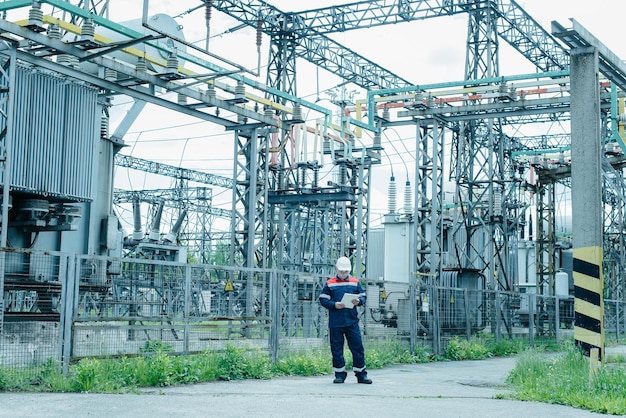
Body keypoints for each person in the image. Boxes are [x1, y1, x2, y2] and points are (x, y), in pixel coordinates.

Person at [318, 256, 372, 384]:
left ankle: (361, 374)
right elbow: (323, 299)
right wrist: (334, 305)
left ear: (349, 270)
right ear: (337, 269)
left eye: (346, 271)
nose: (344, 274)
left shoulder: (354, 282)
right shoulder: (329, 283)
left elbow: (363, 296)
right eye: (342, 271)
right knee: (337, 348)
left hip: (352, 321)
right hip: (336, 322)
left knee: (357, 347)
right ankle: (339, 374)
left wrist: (358, 301)